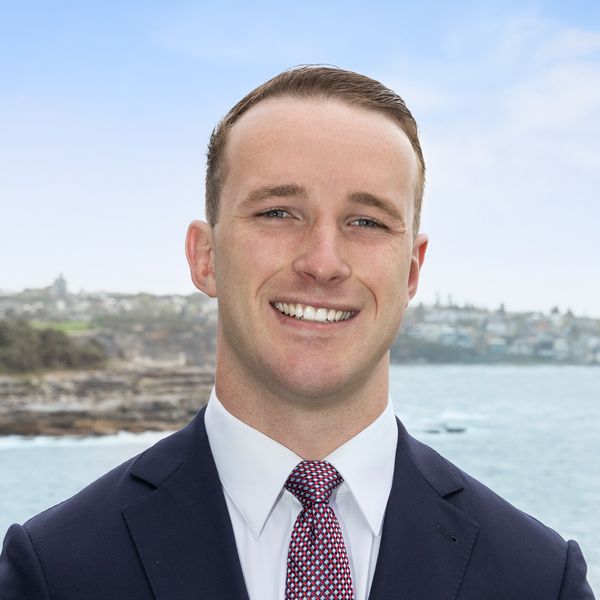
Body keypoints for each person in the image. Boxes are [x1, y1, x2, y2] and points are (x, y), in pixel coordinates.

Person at [0, 66, 594, 600]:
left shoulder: (541, 579)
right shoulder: (53, 571)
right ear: (205, 257)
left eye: (366, 221)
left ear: (412, 270)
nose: (323, 262)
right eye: (278, 213)